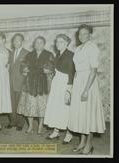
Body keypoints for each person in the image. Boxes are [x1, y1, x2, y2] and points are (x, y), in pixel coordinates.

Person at [68, 24, 106, 154]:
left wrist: (85, 90)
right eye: (80, 34)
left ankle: (89, 145)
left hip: (88, 83)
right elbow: (76, 70)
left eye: (85, 34)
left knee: (88, 115)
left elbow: (93, 71)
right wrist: (74, 86)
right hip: (78, 81)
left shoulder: (92, 47)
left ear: (90, 35)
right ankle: (81, 143)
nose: (82, 36)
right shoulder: (78, 48)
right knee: (81, 114)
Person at [17, 36, 55, 134]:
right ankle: (30, 126)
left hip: (43, 84)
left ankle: (40, 126)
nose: (38, 44)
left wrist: (32, 69)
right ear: (34, 44)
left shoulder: (49, 54)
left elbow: (49, 69)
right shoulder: (29, 55)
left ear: (44, 44)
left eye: (41, 42)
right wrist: (39, 69)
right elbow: (24, 68)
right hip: (29, 84)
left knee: (41, 106)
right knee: (29, 106)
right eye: (37, 42)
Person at [44, 34, 75, 144]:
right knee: (56, 107)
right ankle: (56, 131)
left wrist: (69, 89)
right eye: (57, 42)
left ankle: (69, 134)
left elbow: (71, 73)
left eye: (61, 42)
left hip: (65, 83)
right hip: (57, 83)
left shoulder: (71, 55)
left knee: (65, 108)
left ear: (67, 43)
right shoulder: (58, 54)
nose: (58, 44)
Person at [6, 33, 29, 131]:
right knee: (11, 102)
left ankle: (20, 123)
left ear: (22, 42)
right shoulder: (11, 53)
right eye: (14, 40)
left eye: (18, 40)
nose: (16, 42)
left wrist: (26, 81)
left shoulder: (27, 53)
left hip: (21, 82)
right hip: (11, 81)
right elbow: (9, 67)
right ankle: (12, 121)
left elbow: (28, 69)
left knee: (20, 103)